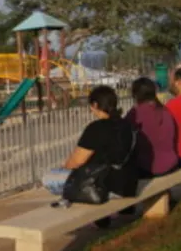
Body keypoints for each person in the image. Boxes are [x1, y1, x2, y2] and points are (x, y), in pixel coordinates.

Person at [52, 86, 139, 228]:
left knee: (51, 179)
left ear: (95, 105)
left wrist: (62, 172)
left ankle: (95, 217)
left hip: (102, 187)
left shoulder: (96, 128)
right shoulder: (127, 125)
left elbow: (75, 162)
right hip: (127, 184)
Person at [125, 77, 179, 178]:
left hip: (150, 168)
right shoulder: (164, 110)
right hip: (172, 163)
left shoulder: (135, 114)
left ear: (136, 95)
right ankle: (164, 193)